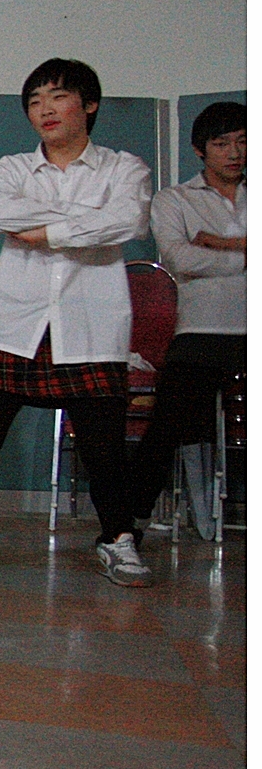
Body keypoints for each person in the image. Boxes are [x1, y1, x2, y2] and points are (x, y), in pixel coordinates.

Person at [0, 58, 153, 585]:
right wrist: (85, 224)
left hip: (90, 324)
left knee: (104, 451)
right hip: (15, 322)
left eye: (58, 97)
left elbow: (128, 220)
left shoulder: (123, 168)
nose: (45, 110)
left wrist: (46, 232)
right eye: (35, 101)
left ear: (89, 104)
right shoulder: (13, 167)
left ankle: (118, 540)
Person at [124, 102, 245, 537]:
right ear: (200, 149)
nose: (235, 153)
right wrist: (246, 256)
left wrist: (218, 243)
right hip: (202, 328)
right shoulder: (175, 199)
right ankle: (128, 522)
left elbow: (198, 256)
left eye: (244, 141)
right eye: (222, 143)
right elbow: (179, 258)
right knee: (168, 422)